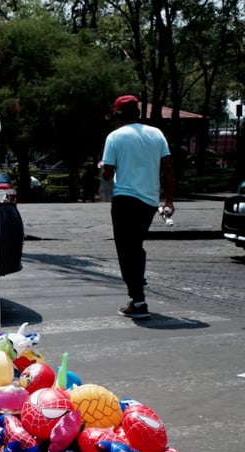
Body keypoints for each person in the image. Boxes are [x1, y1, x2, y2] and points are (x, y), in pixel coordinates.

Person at [100, 95, 174, 320]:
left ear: (118, 115)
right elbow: (168, 168)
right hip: (149, 202)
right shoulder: (156, 134)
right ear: (138, 114)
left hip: (125, 200)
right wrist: (168, 200)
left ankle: (138, 300)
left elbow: (108, 173)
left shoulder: (114, 137)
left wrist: (102, 167)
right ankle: (138, 286)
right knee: (135, 246)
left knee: (126, 249)